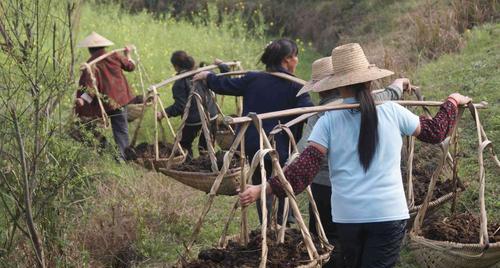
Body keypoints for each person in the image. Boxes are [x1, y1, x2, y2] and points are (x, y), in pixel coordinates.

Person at [239, 43, 470, 268]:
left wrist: (263, 188)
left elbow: (304, 169)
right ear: (370, 80)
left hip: (348, 218)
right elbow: (435, 132)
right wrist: (452, 101)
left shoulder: (327, 121)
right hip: (389, 215)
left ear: (338, 85)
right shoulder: (393, 111)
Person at [296, 56, 412, 268]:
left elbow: (304, 155)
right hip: (379, 210)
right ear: (368, 82)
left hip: (338, 201)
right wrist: (400, 83)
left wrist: (269, 186)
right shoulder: (386, 107)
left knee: (330, 242)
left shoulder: (322, 117)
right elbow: (393, 94)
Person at [193, 38, 314, 225]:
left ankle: (267, 224)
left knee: (260, 183)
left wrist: (209, 77)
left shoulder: (253, 78)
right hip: (279, 147)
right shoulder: (296, 86)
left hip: (254, 146)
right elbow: (309, 112)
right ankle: (282, 224)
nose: (297, 61)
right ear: (288, 59)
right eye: (296, 56)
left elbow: (225, 85)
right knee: (281, 183)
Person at [75, 32, 135, 160]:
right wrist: (128, 54)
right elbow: (130, 66)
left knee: (88, 125)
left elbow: (90, 90)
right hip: (120, 98)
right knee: (121, 128)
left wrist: (82, 100)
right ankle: (122, 156)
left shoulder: (91, 64)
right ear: (103, 47)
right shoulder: (115, 56)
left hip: (105, 103)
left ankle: (112, 152)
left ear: (90, 50)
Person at [157, 51, 229, 157]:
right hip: (212, 115)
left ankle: (190, 166)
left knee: (183, 145)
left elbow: (180, 107)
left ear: (176, 66)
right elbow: (224, 78)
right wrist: (222, 65)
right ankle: (207, 165)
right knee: (207, 147)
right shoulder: (206, 73)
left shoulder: (180, 83)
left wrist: (164, 113)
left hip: (194, 119)